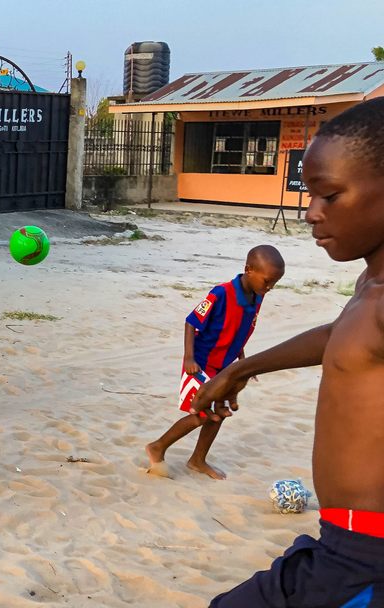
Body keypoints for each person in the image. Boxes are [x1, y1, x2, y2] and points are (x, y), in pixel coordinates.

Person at [193, 98, 384, 606]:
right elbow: (338, 335)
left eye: (330, 195)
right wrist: (242, 369)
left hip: (366, 559)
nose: (311, 212)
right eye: (310, 193)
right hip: (341, 545)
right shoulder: (370, 284)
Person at [145, 246, 285, 480]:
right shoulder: (221, 293)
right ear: (248, 270)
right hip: (200, 363)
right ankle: (157, 446)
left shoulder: (258, 296)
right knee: (201, 414)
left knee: (220, 412)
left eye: (275, 283)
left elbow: (239, 332)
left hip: (224, 366)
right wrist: (189, 358)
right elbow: (191, 322)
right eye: (267, 281)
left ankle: (198, 460)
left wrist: (243, 362)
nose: (269, 287)